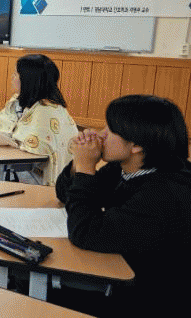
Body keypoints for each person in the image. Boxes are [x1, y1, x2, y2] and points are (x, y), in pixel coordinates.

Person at [53, 95, 191, 316]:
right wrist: (80, 164)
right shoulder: (127, 168)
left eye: (110, 129)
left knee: (38, 288)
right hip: (121, 272)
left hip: (148, 299)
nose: (100, 135)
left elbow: (86, 232)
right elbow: (67, 194)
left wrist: (86, 168)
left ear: (136, 145)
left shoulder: (164, 194)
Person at [0, 54, 78, 218]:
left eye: (16, 74)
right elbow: (3, 126)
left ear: (29, 80)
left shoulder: (46, 111)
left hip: (43, 179)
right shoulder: (22, 101)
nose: (12, 77)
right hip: (30, 167)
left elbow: (28, 144)